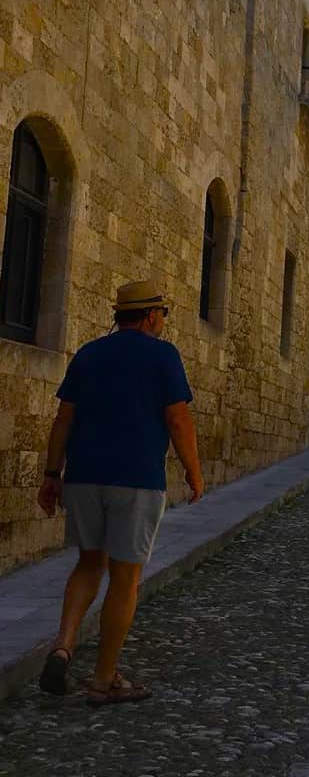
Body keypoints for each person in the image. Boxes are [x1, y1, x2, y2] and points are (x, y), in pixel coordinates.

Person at [36, 280, 203, 706]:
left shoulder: (90, 354)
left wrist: (52, 474)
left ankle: (63, 645)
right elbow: (178, 419)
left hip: (84, 476)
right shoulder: (162, 355)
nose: (164, 321)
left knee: (89, 562)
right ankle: (104, 678)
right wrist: (194, 472)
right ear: (150, 316)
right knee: (125, 577)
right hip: (136, 479)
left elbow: (63, 419)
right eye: (163, 314)